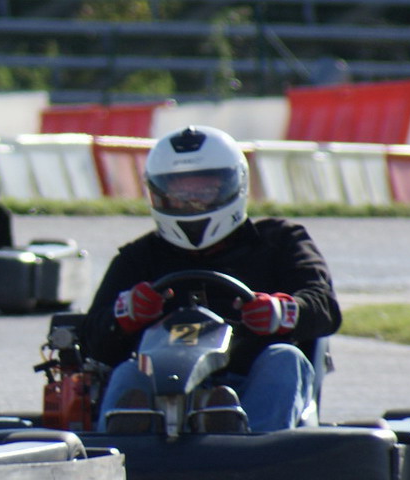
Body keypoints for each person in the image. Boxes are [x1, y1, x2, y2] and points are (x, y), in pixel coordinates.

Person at [79, 126, 341, 434]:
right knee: (128, 371)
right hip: (160, 389)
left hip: (251, 381)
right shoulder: (139, 258)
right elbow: (90, 341)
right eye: (179, 193)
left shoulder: (281, 242)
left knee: (285, 358)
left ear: (234, 185)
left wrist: (280, 312)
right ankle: (124, 446)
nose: (192, 202)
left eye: (204, 191)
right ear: (158, 193)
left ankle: (249, 441)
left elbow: (324, 307)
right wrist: (125, 315)